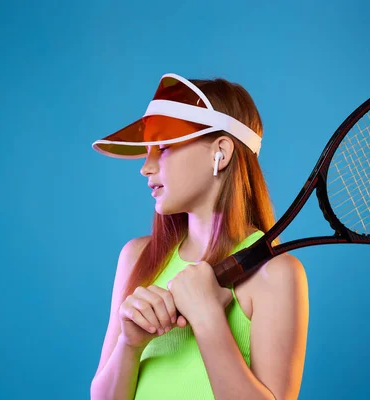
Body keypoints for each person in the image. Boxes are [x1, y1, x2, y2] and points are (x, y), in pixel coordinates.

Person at [89, 73, 309, 400]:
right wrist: (130, 344)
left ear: (220, 152)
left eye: (163, 147)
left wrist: (207, 318)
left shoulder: (276, 274)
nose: (146, 167)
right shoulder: (137, 257)